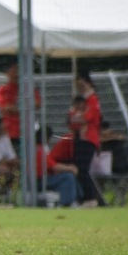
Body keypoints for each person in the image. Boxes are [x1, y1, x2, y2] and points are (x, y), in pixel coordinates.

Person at [72, 69, 105, 207]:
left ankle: (91, 198)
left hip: (88, 138)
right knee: (81, 169)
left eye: (82, 84)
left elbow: (87, 117)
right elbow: (72, 119)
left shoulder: (92, 100)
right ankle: (90, 198)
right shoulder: (85, 100)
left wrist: (78, 118)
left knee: (82, 169)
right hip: (82, 137)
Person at [0, 62, 41, 152]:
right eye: (13, 71)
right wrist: (27, 108)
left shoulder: (28, 88)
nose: (16, 74)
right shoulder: (4, 89)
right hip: (11, 132)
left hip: (28, 130)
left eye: (18, 71)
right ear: (8, 73)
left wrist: (18, 108)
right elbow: (6, 107)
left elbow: (37, 103)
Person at [35, 127, 79, 207]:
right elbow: (54, 166)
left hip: (44, 178)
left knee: (65, 181)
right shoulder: (40, 150)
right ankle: (66, 203)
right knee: (68, 176)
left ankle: (70, 201)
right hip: (41, 180)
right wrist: (70, 168)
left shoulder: (38, 148)